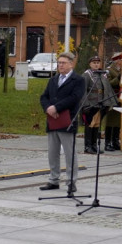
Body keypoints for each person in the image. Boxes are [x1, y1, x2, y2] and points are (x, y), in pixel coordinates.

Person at [39, 51, 85, 192]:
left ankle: (71, 182)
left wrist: (56, 107)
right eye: (59, 63)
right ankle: (54, 179)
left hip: (67, 120)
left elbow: (75, 97)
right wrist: (48, 108)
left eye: (63, 63)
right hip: (52, 120)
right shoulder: (54, 79)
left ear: (71, 64)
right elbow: (44, 96)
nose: (60, 65)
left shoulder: (78, 80)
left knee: (70, 153)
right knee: (53, 152)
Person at [82, 55, 117, 154]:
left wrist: (109, 102)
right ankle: (88, 146)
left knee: (96, 124)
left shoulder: (102, 74)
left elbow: (107, 89)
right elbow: (83, 91)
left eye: (98, 63)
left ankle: (94, 145)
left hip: (101, 103)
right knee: (90, 124)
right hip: (91, 104)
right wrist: (85, 104)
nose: (96, 65)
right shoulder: (87, 75)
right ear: (90, 64)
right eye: (94, 63)